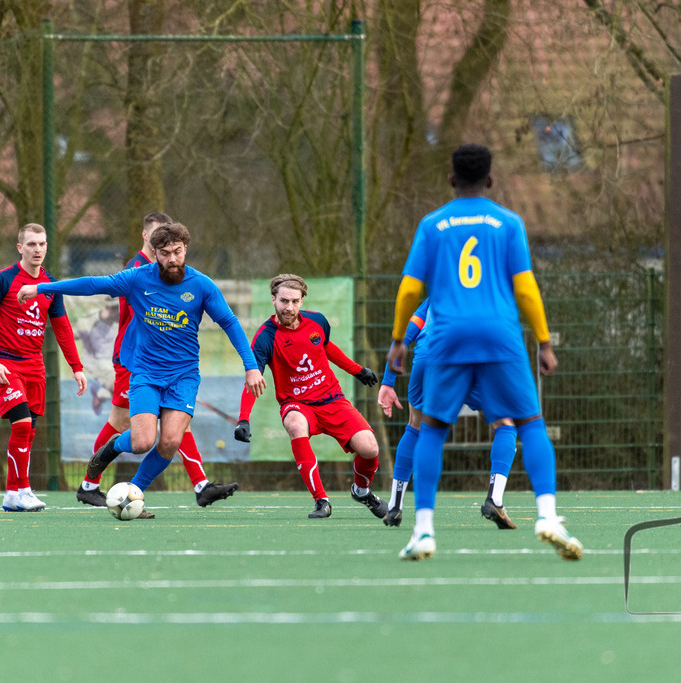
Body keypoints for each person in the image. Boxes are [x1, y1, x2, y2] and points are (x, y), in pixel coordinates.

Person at [387, 143, 582, 561]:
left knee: (431, 430)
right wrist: (544, 342)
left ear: (452, 180)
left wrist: (399, 341)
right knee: (529, 422)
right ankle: (546, 516)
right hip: (500, 336)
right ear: (491, 180)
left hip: (446, 336)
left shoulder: (432, 224)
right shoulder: (508, 222)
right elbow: (526, 288)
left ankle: (423, 531)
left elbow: (408, 288)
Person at [18, 222, 265, 518]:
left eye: (177, 252)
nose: (171, 259)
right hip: (146, 374)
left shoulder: (201, 285)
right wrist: (42, 287)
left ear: (185, 249)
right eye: (164, 254)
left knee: (171, 441)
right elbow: (92, 284)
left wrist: (251, 366)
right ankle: (106, 453)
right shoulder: (137, 278)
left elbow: (230, 323)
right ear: (155, 252)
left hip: (184, 377)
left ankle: (132, 494)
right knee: (141, 442)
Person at [75, 213, 238, 509]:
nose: (165, 252)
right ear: (145, 238)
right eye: (157, 242)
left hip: (166, 365)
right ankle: (90, 483)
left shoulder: (179, 273)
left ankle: (199, 484)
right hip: (135, 359)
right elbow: (99, 289)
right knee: (126, 426)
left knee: (173, 429)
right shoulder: (140, 269)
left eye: (174, 247)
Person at [233, 274, 388, 520]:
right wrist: (243, 418)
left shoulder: (317, 322)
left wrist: (358, 371)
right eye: (284, 301)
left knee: (369, 448)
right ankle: (321, 501)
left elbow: (327, 348)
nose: (289, 307)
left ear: (302, 301)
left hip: (332, 400)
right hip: (297, 404)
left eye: (295, 301)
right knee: (295, 425)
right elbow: (253, 379)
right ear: (273, 300)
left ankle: (362, 492)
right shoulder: (265, 337)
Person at [377, 297, 519, 529]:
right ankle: (495, 500)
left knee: (415, 427)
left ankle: (394, 505)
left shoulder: (435, 296)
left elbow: (403, 336)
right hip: (469, 361)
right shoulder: (489, 289)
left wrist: (388, 382)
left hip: (428, 361)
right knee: (506, 423)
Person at [0, 223, 88, 512]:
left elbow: (62, 328)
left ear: (47, 247)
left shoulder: (50, 287)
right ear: (20, 248)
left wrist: (76, 367)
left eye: (42, 244)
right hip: (7, 365)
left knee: (29, 431)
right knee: (21, 424)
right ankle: (23, 489)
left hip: (35, 367)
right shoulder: (2, 280)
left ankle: (13, 494)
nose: (37, 249)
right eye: (31, 244)